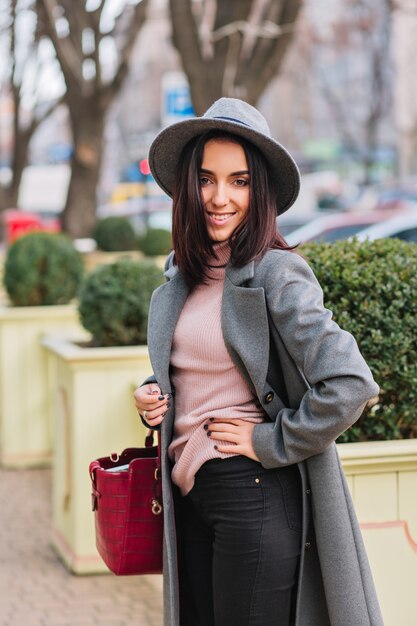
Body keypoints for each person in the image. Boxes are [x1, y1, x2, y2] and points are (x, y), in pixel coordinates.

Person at [133, 98, 384, 626]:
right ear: (187, 186)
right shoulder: (183, 272)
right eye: (206, 179)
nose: (220, 198)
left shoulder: (274, 273)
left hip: (252, 493)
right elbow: (206, 364)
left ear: (260, 191)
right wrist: (154, 394)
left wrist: (268, 440)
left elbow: (350, 383)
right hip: (190, 493)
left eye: (239, 181)